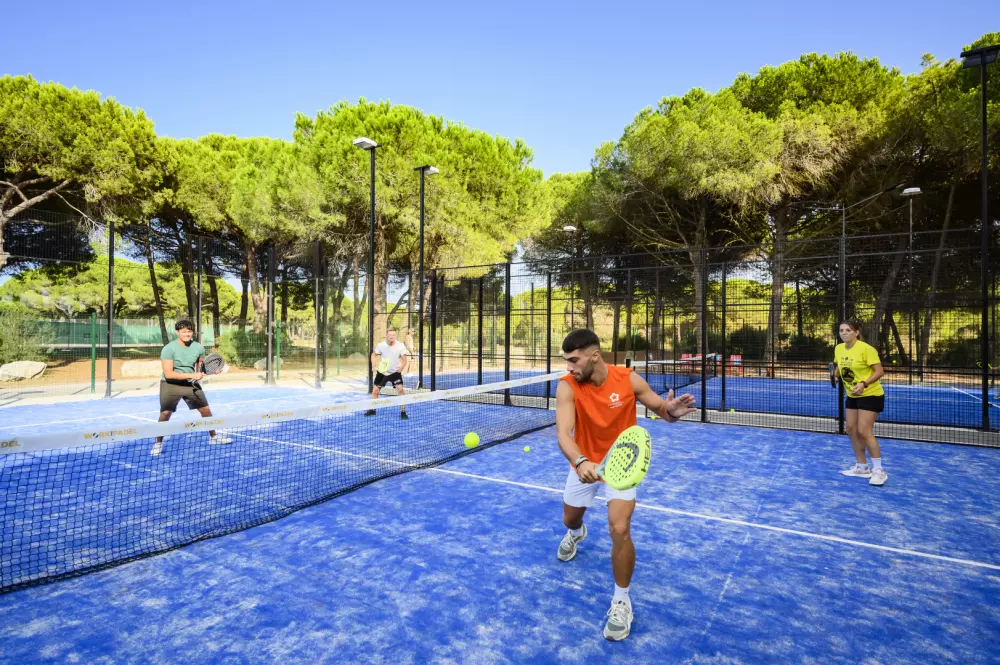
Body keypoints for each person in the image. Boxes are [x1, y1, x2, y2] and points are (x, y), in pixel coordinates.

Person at [555, 329, 696, 641]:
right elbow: (564, 433)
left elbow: (662, 409)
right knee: (569, 517)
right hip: (585, 463)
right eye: (567, 361)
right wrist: (581, 462)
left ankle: (622, 600)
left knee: (619, 528)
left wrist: (671, 412)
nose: (570, 367)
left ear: (595, 356)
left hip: (623, 463)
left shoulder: (628, 379)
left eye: (574, 360)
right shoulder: (567, 387)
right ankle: (577, 532)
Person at [152, 319, 230, 456]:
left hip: (191, 385)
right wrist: (192, 375)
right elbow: (169, 373)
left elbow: (201, 365)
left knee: (206, 410)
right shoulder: (168, 349)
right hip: (170, 384)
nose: (187, 334)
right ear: (177, 332)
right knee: (165, 414)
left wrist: (211, 370)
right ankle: (158, 443)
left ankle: (213, 437)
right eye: (184, 332)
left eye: (189, 331)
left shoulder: (198, 348)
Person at [833, 320, 887, 486]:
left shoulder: (866, 349)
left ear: (856, 332)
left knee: (864, 430)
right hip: (852, 395)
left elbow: (879, 371)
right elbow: (840, 366)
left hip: (871, 394)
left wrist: (864, 384)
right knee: (851, 428)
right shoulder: (839, 348)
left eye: (848, 330)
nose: (844, 333)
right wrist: (835, 375)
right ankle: (862, 467)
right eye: (841, 330)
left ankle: (879, 470)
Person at [364, 327, 410, 419]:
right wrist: (373, 365)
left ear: (395, 335)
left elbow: (404, 359)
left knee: (400, 390)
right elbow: (374, 354)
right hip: (382, 372)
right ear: (386, 336)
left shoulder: (400, 346)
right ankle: (373, 410)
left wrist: (401, 368)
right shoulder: (381, 345)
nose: (391, 336)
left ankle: (403, 412)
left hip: (395, 372)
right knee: (375, 391)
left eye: (393, 335)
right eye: (390, 335)